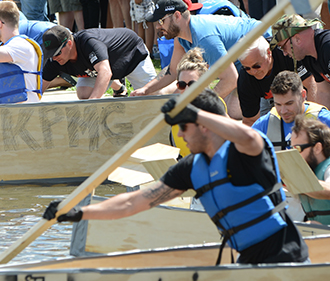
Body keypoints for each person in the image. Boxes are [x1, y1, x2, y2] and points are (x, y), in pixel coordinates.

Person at [44, 90, 309, 265]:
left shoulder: (246, 151)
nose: (180, 135)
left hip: (285, 254)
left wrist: (192, 112)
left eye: (184, 126)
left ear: (204, 124)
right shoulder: (191, 168)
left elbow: (247, 135)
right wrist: (79, 213)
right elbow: (131, 203)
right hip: (247, 259)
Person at [137, 0, 258, 115]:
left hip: (263, 50)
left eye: (161, 21)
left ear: (177, 16)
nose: (158, 26)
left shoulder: (204, 38)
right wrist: (145, 90)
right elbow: (173, 71)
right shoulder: (180, 36)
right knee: (174, 95)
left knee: (231, 110)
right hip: (240, 68)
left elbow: (231, 79)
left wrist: (199, 108)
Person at [40, 25, 157, 99]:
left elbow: (105, 72)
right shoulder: (54, 61)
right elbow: (39, 89)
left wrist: (93, 103)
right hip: (103, 66)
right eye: (51, 54)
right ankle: (119, 87)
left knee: (155, 95)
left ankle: (171, 80)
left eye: (57, 53)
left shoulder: (88, 42)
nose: (54, 58)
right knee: (84, 94)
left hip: (130, 53)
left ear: (69, 44)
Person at [237, 35, 312, 126]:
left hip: (301, 92)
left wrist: (311, 122)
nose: (253, 72)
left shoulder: (287, 53)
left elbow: (312, 86)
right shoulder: (245, 78)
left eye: (257, 66)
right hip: (270, 100)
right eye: (247, 68)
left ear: (269, 53)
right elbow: (250, 121)